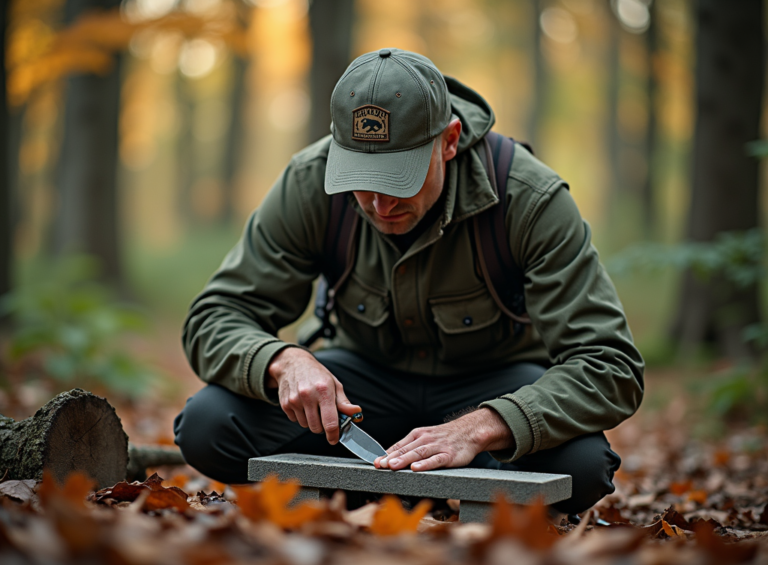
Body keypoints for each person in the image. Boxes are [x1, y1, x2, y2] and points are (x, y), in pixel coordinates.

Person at [174, 48, 644, 514]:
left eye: (400, 179)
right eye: (361, 177)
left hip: (497, 388)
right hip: (359, 392)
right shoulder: (308, 182)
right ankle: (380, 480)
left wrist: (487, 425)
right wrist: (282, 361)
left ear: (449, 140)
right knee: (209, 426)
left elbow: (610, 364)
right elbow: (214, 317)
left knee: (580, 469)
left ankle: (390, 479)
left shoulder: (529, 197)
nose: (380, 205)